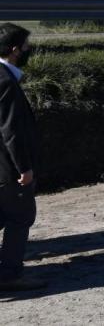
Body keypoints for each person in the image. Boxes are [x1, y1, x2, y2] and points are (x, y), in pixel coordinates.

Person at [0, 23, 45, 291]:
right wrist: (24, 168)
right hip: (6, 170)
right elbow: (11, 131)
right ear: (15, 50)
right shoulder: (5, 82)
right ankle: (10, 275)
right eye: (26, 46)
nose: (29, 50)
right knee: (20, 217)